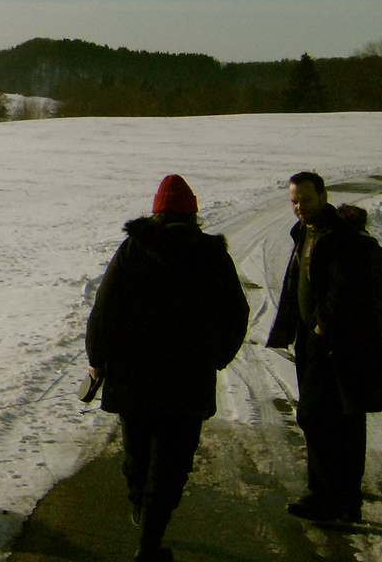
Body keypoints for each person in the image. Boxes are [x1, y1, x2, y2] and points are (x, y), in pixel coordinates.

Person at [86, 174, 249, 562]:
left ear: (156, 212)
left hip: (133, 376)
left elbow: (104, 308)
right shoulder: (213, 255)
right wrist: (217, 357)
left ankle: (141, 511)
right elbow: (237, 314)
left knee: (138, 456)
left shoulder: (133, 249)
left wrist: (97, 360)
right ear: (194, 215)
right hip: (188, 379)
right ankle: (150, 540)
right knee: (173, 463)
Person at [266, 170, 382, 524]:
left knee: (337, 421)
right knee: (320, 418)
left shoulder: (339, 237)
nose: (299, 207)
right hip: (312, 342)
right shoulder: (305, 232)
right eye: (294, 201)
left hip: (337, 344)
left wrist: (323, 327)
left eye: (305, 200)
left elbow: (342, 288)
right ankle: (329, 495)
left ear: (323, 197)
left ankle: (337, 499)